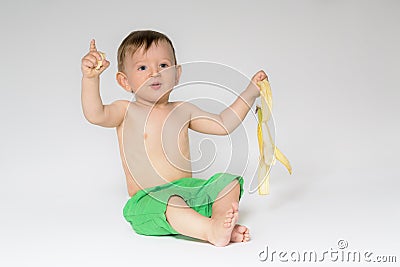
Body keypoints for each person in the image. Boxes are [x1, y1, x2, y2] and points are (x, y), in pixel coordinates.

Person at [81, 30, 267, 247]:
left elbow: (223, 124)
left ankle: (218, 221)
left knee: (228, 182)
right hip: (149, 200)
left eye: (163, 65)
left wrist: (250, 92)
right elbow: (95, 114)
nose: (155, 73)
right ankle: (209, 230)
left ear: (177, 74)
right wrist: (90, 79)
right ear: (124, 81)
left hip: (189, 193)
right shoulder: (125, 111)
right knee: (170, 203)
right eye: (142, 67)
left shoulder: (183, 110)